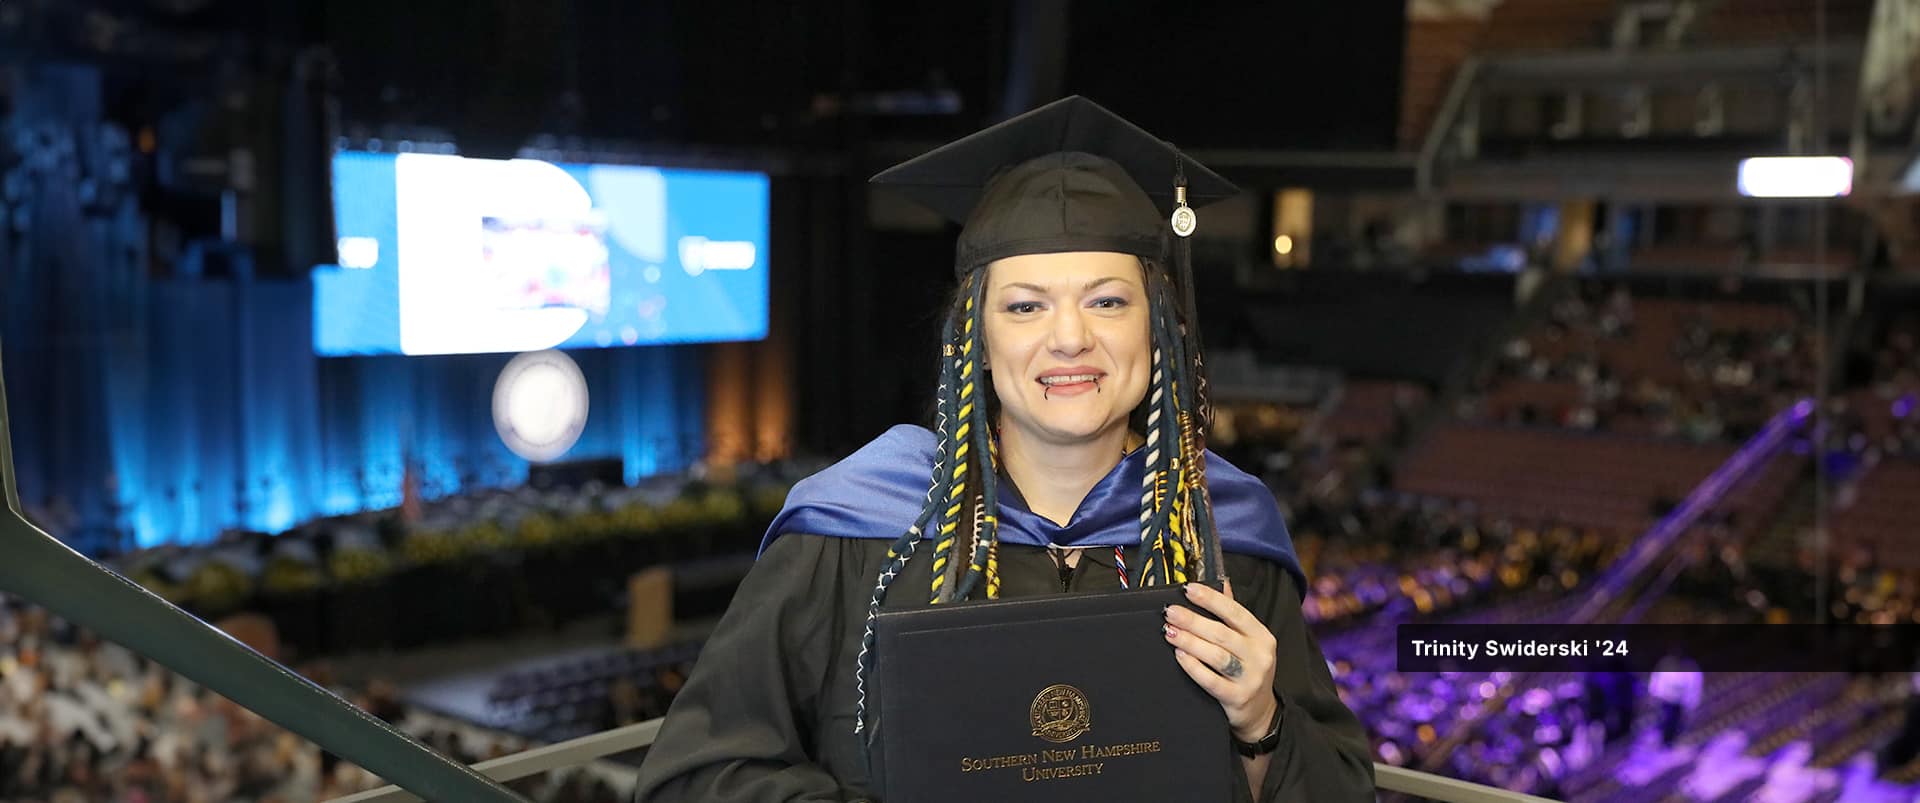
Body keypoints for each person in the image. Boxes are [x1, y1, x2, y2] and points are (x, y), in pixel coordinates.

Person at [632, 97, 1374, 802]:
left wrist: (1261, 725)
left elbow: (1343, 786)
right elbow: (696, 775)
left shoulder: (1223, 537)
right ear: (977, 340)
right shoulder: (851, 535)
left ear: (1160, 329)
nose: (1070, 337)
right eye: (1025, 305)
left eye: (1107, 300)